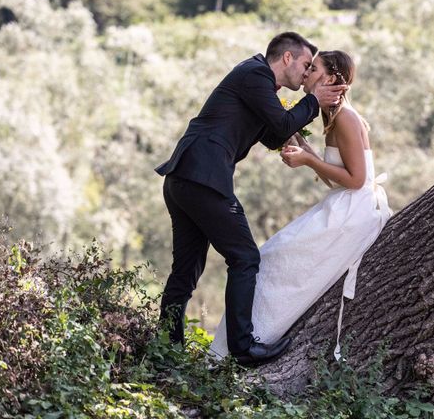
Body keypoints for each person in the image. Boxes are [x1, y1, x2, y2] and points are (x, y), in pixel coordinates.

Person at [155, 32, 346, 367]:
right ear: (286, 58)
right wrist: (314, 100)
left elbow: (275, 132)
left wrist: (302, 146)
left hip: (185, 179)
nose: (306, 73)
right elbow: (282, 120)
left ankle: (165, 351)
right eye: (305, 64)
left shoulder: (261, 86)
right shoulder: (254, 74)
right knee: (245, 258)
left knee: (186, 270)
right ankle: (242, 348)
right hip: (203, 179)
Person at [210, 50, 392, 361]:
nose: (306, 73)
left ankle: (252, 341)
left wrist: (308, 159)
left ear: (331, 79)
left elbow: (357, 180)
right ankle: (239, 344)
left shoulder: (346, 118)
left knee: (276, 258)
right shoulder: (332, 115)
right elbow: (338, 176)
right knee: (270, 256)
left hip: (354, 210)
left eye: (314, 68)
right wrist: (304, 148)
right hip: (342, 203)